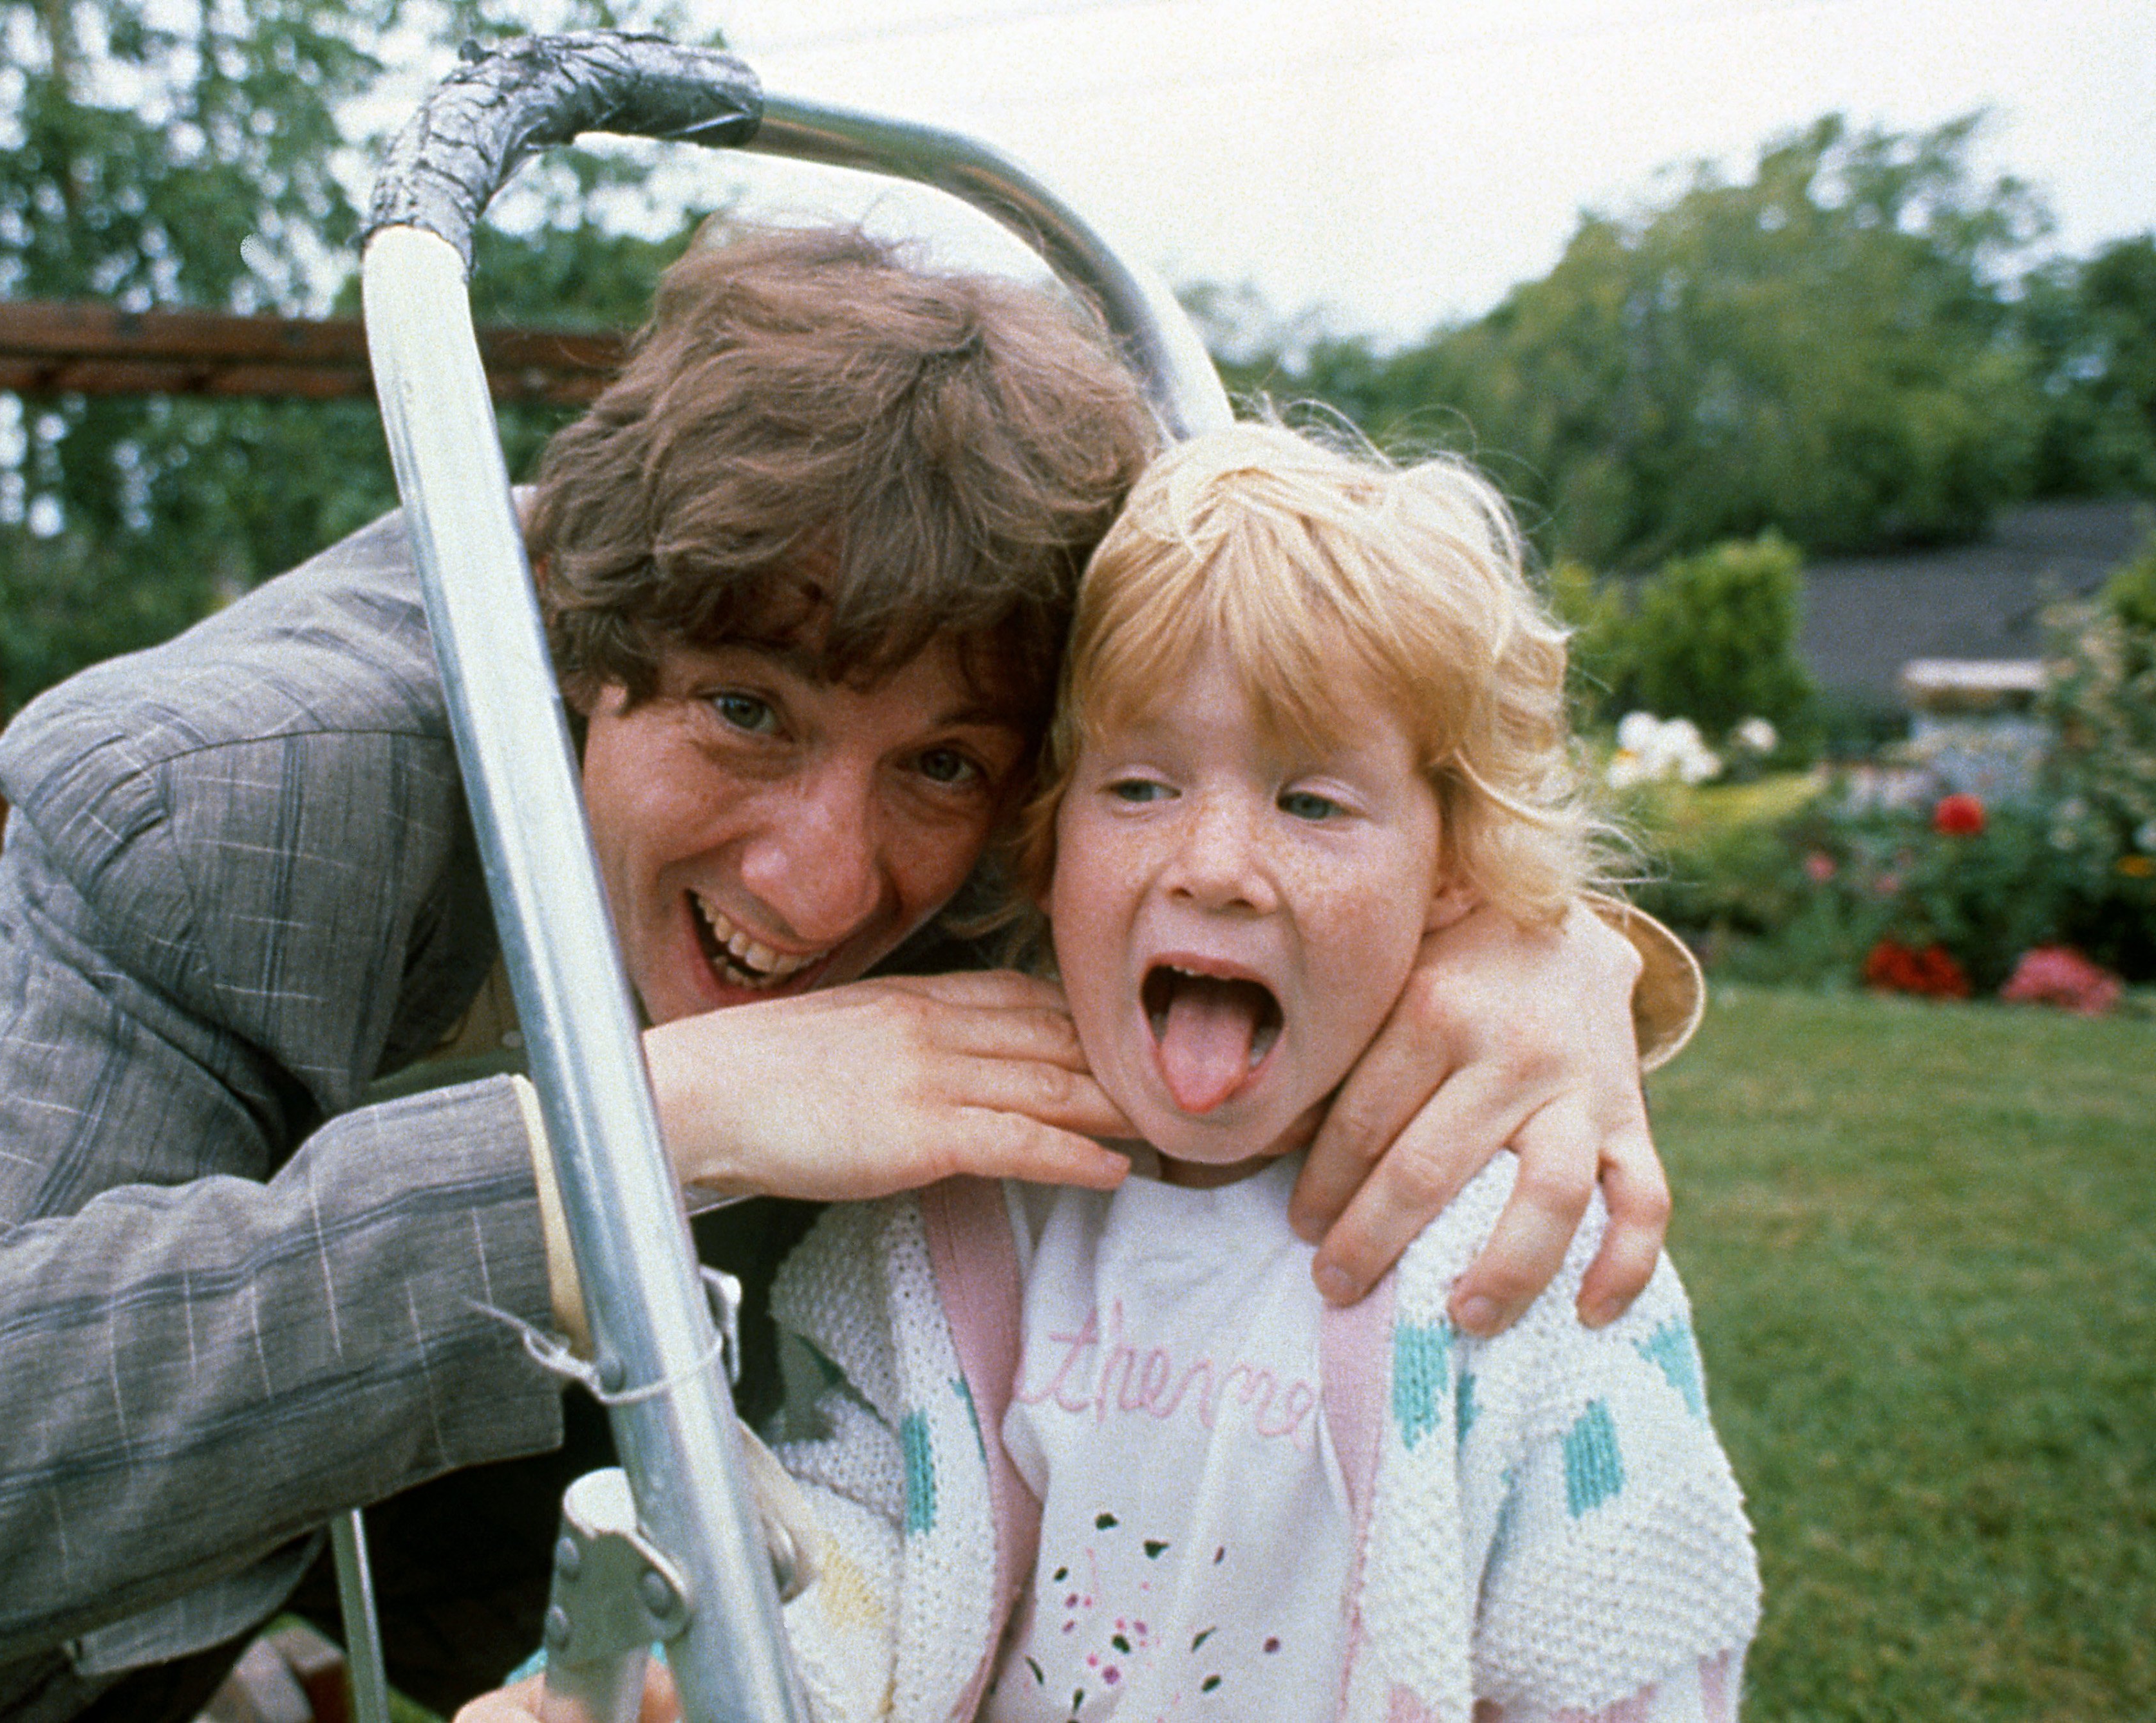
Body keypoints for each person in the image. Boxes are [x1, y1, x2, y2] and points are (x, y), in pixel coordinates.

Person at [0, 227, 1694, 1722]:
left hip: (600, 1578)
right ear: (576, 644)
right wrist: (645, 1139)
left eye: (947, 766)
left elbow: (1288, 770)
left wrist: (1543, 944)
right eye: (741, 709)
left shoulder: (1033, 815)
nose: (821, 878)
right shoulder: (231, 802)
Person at [709, 420, 1758, 1723]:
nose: (1212, 862)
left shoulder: (1517, 1252)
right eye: (1140, 786)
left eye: (1312, 804)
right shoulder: (964, 1215)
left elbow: (1630, 1646)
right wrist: (710, 1676)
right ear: (1046, 846)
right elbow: (858, 1537)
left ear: (1451, 877)